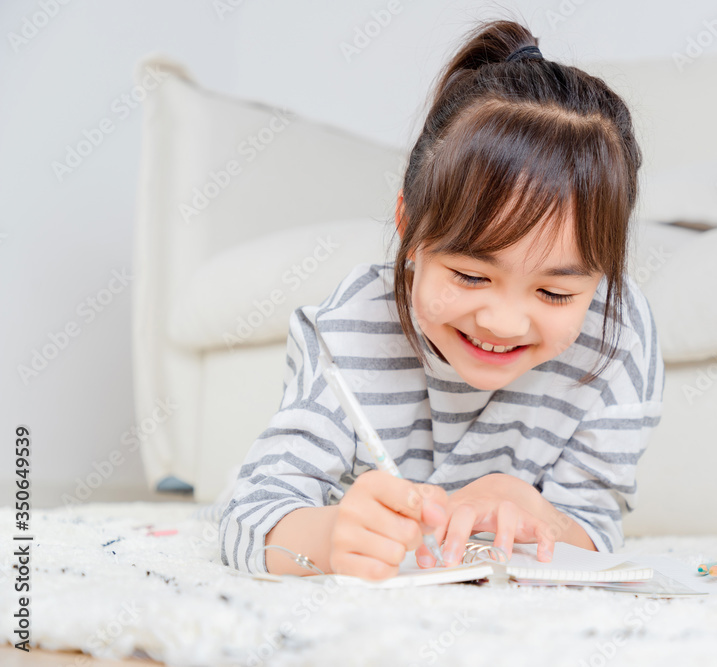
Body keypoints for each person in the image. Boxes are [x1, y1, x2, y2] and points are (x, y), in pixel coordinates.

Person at [219, 18, 664, 580]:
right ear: (409, 227)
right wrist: (330, 538)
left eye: (555, 292)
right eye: (471, 276)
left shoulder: (617, 338)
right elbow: (248, 515)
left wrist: (538, 512)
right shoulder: (349, 330)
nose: (502, 322)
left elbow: (597, 529)